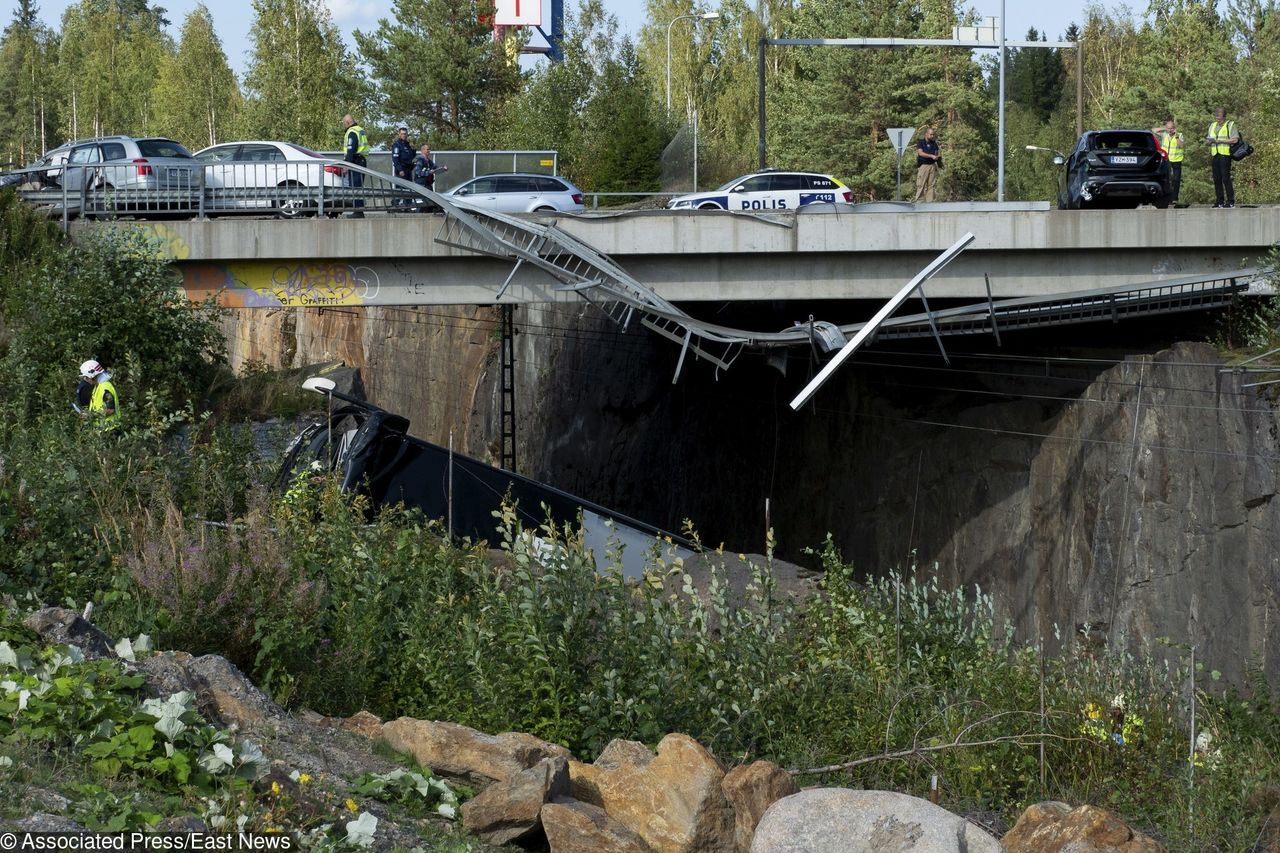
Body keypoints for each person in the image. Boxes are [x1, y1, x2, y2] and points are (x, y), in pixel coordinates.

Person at [1206, 107, 1238, 208]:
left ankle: (1230, 201)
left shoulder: (1230, 125)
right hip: (1215, 154)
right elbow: (1208, 139)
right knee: (1216, 179)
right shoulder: (1212, 125)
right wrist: (1209, 141)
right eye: (1216, 116)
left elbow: (1235, 140)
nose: (1217, 118)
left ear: (1224, 116)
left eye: (1219, 117)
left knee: (1225, 178)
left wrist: (1220, 141)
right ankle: (1219, 201)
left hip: (1225, 154)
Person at [75, 359, 121, 430]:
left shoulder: (105, 387)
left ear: (91, 376)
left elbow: (110, 410)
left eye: (86, 377)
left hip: (111, 429)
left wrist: (91, 415)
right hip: (103, 430)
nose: (85, 380)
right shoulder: (97, 387)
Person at [341, 114, 369, 218]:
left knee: (355, 187)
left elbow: (350, 149)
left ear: (347, 122)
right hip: (361, 160)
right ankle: (359, 210)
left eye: (344, 123)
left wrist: (346, 165)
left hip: (355, 161)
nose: (344, 125)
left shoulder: (352, 132)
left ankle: (358, 211)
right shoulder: (360, 130)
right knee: (358, 187)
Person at [1151, 117, 1184, 205]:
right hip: (1166, 160)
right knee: (1166, 180)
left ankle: (1175, 198)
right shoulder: (1164, 134)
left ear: (1174, 128)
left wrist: (1176, 136)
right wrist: (1164, 128)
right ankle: (1167, 198)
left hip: (1176, 160)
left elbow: (1181, 145)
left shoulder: (1179, 135)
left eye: (1171, 128)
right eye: (1168, 128)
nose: (1170, 130)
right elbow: (1153, 130)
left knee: (1176, 180)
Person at [412, 143, 447, 211]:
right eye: (427, 149)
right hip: (422, 184)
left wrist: (443, 169)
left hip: (428, 184)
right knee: (425, 202)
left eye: (429, 149)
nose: (429, 151)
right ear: (422, 150)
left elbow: (435, 168)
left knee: (430, 201)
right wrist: (429, 172)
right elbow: (418, 172)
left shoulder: (428, 161)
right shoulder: (420, 160)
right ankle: (419, 214)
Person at [913, 127, 941, 203]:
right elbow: (920, 153)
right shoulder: (921, 142)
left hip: (932, 166)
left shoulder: (934, 143)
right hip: (923, 166)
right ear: (926, 134)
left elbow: (938, 152)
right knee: (921, 184)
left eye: (933, 134)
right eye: (931, 134)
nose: (932, 136)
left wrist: (938, 158)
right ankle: (919, 201)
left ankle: (930, 202)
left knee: (931, 185)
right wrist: (931, 156)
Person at [390, 126, 414, 206]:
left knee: (409, 189)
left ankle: (408, 206)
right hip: (401, 170)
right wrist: (400, 170)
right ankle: (395, 204)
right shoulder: (397, 145)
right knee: (400, 188)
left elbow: (411, 156)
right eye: (402, 134)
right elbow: (395, 159)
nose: (404, 135)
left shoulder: (408, 145)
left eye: (405, 134)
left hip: (408, 170)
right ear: (399, 134)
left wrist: (413, 149)